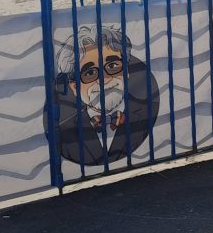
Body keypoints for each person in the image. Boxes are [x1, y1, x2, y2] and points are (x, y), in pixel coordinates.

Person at [49, 24, 159, 167]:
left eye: (112, 66)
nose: (104, 80)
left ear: (126, 71)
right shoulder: (63, 132)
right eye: (90, 73)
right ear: (74, 86)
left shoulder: (150, 112)